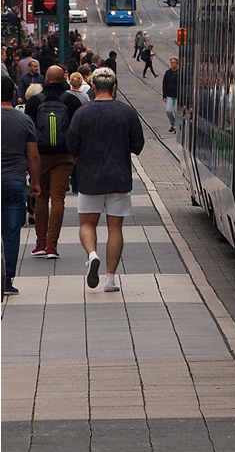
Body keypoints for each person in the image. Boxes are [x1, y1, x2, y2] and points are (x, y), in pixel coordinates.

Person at [66, 67, 144, 292]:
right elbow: (137, 146)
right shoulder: (126, 112)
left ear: (93, 87)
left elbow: (71, 145)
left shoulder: (82, 113)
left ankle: (92, 255)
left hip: (89, 177)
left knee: (87, 223)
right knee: (115, 228)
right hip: (119, 178)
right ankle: (110, 279)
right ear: (115, 87)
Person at [24, 66, 84, 259]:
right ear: (63, 78)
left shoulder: (35, 101)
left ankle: (40, 243)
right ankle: (52, 246)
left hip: (40, 157)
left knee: (40, 196)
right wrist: (74, 155)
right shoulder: (72, 101)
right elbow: (76, 131)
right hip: (64, 157)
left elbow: (29, 132)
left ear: (46, 79)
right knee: (58, 199)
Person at [2, 76, 42, 295]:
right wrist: (35, 182)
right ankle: (7, 281)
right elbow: (33, 155)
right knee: (11, 233)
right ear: (13, 93)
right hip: (15, 181)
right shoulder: (24, 120)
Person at [162, 57, 179, 133]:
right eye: (171, 63)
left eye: (174, 63)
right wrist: (164, 95)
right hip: (169, 95)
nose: (172, 64)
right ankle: (173, 124)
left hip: (178, 96)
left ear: (177, 64)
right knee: (168, 110)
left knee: (176, 111)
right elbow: (164, 84)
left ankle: (175, 126)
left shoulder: (180, 73)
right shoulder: (168, 73)